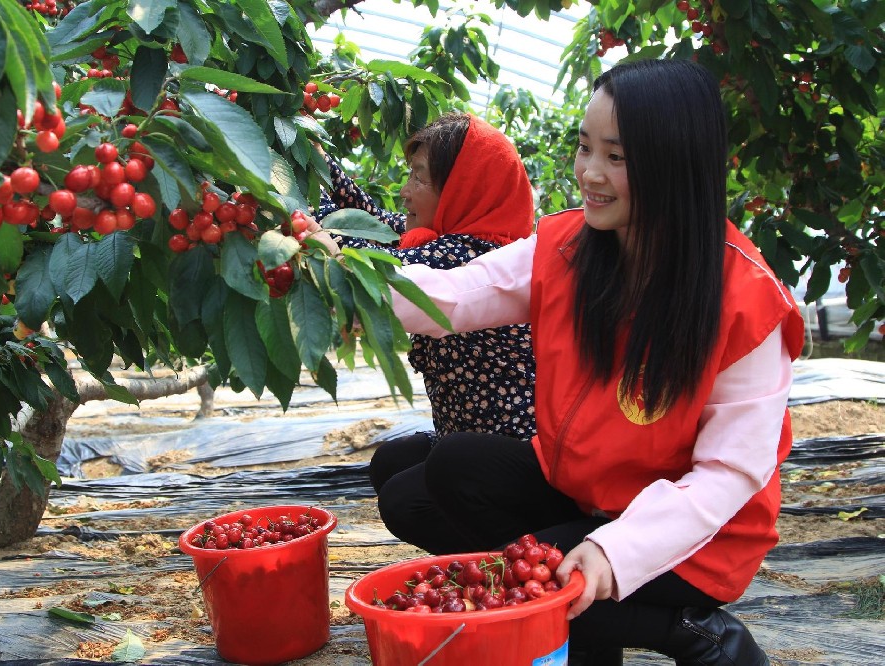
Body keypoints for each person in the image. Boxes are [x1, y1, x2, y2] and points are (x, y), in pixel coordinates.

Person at [329, 59, 803, 665]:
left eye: (617, 157)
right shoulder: (571, 245)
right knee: (451, 468)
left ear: (674, 161)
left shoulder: (744, 302)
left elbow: (727, 477)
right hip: (588, 494)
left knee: (545, 579)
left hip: (698, 536)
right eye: (584, 149)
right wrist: (343, 273)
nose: (589, 174)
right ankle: (589, 628)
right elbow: (456, 293)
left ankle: (692, 628)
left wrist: (615, 551)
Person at [315, 113, 539, 498]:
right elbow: (371, 222)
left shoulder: (470, 254)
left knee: (406, 495)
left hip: (512, 455)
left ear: (461, 189)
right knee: (391, 462)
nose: (405, 190)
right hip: (462, 439)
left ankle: (510, 545)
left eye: (419, 177)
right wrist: (318, 161)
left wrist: (290, 203)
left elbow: (365, 260)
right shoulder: (442, 238)